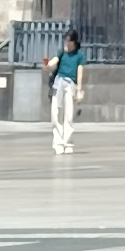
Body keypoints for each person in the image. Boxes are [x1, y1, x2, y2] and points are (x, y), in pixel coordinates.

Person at [44, 29, 85, 157]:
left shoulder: (79, 56)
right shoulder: (62, 52)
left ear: (74, 42)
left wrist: (79, 89)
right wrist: (48, 65)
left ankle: (68, 143)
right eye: (66, 41)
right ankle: (58, 144)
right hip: (59, 82)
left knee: (69, 114)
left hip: (70, 84)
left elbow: (80, 72)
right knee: (56, 113)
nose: (67, 43)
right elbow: (54, 61)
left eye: (69, 41)